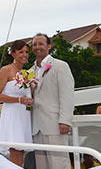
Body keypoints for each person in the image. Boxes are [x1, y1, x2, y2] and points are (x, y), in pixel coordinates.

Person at [31, 33, 74, 169]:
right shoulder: (30, 71)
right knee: (42, 166)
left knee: (59, 165)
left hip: (55, 125)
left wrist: (65, 120)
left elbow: (67, 95)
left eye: (41, 44)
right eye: (34, 44)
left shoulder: (60, 66)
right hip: (36, 126)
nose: (37, 47)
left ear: (49, 46)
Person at [0, 40, 33, 166]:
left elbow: (28, 94)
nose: (24, 55)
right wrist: (19, 100)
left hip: (24, 115)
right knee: (15, 152)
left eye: (26, 52)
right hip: (12, 114)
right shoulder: (6, 70)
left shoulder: (27, 73)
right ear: (13, 53)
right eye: (21, 52)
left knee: (21, 155)